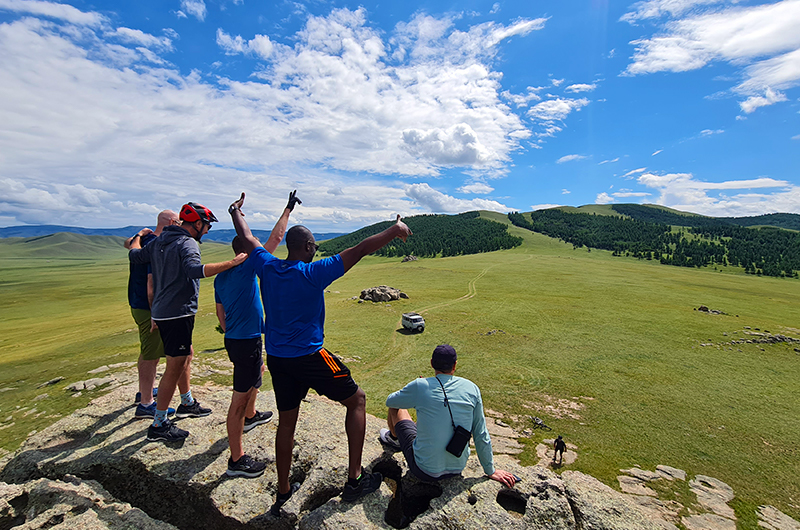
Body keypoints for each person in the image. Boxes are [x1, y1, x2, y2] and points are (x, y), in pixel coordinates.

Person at [228, 192, 412, 516]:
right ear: (310, 248)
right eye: (313, 246)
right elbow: (360, 249)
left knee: (287, 424)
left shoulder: (267, 267)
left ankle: (283, 493)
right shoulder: (313, 273)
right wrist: (394, 230)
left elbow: (247, 238)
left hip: (278, 359)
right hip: (311, 357)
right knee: (357, 399)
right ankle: (354, 480)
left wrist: (235, 212)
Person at [129, 202, 246, 442]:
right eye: (206, 226)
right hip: (178, 312)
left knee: (185, 356)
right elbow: (195, 270)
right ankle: (159, 424)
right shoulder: (187, 243)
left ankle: (186, 402)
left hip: (163, 311)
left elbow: (134, 255)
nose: (206, 231)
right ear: (196, 223)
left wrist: (139, 236)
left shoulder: (159, 241)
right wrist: (231, 263)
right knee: (175, 366)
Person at [214, 192, 300, 478]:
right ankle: (236, 460)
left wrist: (234, 332)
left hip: (237, 339)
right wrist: (287, 209)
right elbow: (276, 238)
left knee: (256, 374)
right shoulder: (249, 266)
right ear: (247, 253)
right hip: (246, 339)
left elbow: (220, 314)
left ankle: (251, 416)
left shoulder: (222, 276)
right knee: (238, 399)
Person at [379, 344, 517, 487]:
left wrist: (419, 388)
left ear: (432, 363)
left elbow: (391, 401)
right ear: (455, 365)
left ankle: (394, 440)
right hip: (457, 468)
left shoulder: (421, 385)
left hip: (423, 470)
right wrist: (490, 470)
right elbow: (481, 433)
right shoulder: (472, 388)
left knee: (398, 408)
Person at [124, 210, 179, 418]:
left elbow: (127, 244)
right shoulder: (157, 246)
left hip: (137, 302)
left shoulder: (143, 240)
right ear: (173, 222)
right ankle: (146, 404)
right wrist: (156, 311)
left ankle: (143, 392)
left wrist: (138, 234)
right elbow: (151, 283)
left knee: (148, 349)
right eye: (179, 222)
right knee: (151, 354)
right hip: (148, 306)